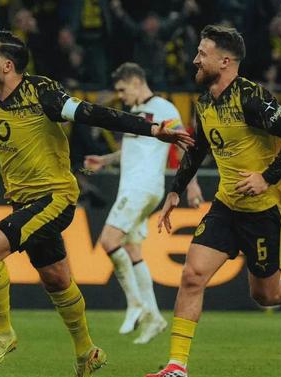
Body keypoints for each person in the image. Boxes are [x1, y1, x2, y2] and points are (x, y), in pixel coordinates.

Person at [0, 30, 192, 377]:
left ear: (8, 65)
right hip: (24, 202)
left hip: (54, 198)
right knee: (56, 280)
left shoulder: (42, 93)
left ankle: (2, 332)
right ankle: (87, 351)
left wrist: (151, 129)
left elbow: (93, 114)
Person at [142, 25, 281, 377]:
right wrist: (175, 191)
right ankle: (176, 366)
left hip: (266, 210)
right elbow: (199, 148)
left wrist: (267, 177)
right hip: (227, 205)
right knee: (192, 275)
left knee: (266, 295)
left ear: (225, 61)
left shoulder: (251, 97)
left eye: (202, 53)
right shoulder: (205, 102)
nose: (195, 60)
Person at [83, 62, 203, 344]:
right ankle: (155, 318)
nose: (121, 96)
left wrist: (192, 184)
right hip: (134, 186)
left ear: (136, 82)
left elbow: (184, 145)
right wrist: (105, 160)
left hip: (142, 186)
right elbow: (133, 148)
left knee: (108, 241)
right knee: (132, 249)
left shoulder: (163, 108)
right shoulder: (136, 112)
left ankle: (135, 303)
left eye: (122, 89)